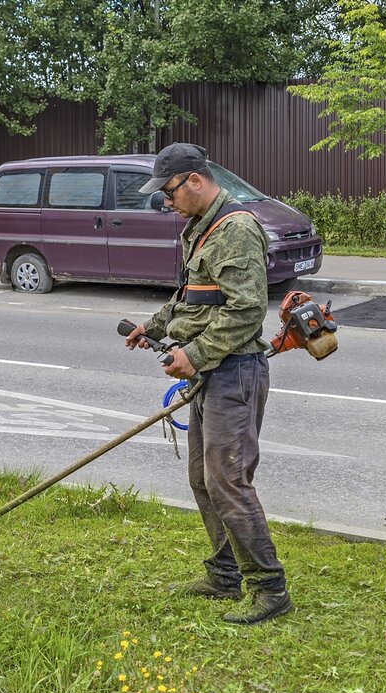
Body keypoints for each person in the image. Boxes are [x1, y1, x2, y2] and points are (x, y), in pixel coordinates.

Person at [124, 142, 293, 625]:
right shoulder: (201, 228)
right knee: (203, 478)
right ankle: (224, 574)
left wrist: (192, 355)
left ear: (194, 180)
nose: (166, 202)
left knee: (228, 481)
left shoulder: (236, 229)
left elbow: (244, 312)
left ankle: (269, 588)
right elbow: (192, 298)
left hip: (233, 372)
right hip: (211, 373)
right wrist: (153, 328)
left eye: (170, 191)